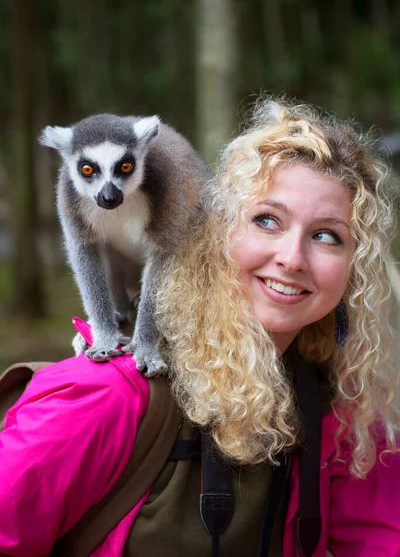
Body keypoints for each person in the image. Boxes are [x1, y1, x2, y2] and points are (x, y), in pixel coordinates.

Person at [1, 97, 400, 556]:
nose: (292, 258)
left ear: (356, 267)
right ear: (216, 231)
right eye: (267, 221)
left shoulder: (341, 409)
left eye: (327, 235)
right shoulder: (108, 397)